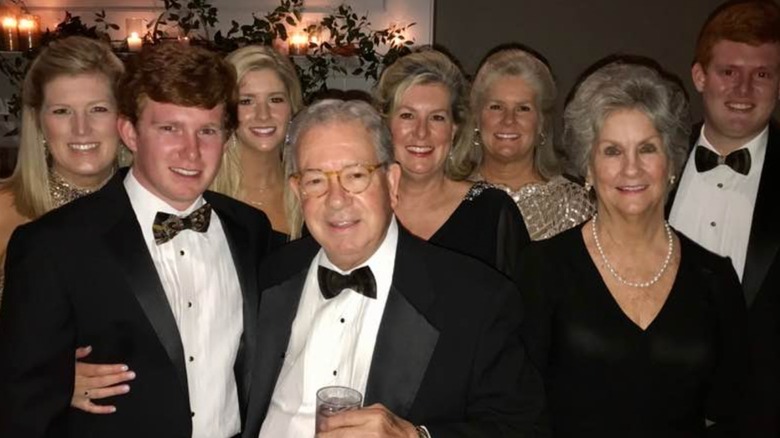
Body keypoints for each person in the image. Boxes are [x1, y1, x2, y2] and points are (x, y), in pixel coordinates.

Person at [0, 42, 274, 437]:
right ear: (129, 131)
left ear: (227, 137)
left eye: (207, 131)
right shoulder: (51, 246)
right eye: (169, 128)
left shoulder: (250, 229)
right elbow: (23, 411)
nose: (191, 151)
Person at [243, 99, 545, 437]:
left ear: (391, 183)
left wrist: (416, 437)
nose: (337, 199)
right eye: (316, 181)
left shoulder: (477, 300)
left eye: (356, 176)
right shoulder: (270, 276)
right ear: (298, 191)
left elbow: (523, 428)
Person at [518, 60, 747, 436]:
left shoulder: (715, 278)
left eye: (646, 149)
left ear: (671, 162)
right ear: (588, 168)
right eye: (611, 151)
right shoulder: (543, 268)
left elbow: (730, 410)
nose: (631, 169)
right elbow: (520, 410)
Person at [667, 1, 780, 435]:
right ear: (700, 76)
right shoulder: (650, 164)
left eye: (762, 75)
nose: (744, 89)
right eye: (729, 71)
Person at [374, 48, 530, 278]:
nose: (421, 133)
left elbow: (520, 308)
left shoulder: (492, 212)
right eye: (407, 115)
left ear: (454, 129)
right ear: (386, 124)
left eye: (437, 117)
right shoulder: (359, 207)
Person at [0, 36, 127, 302]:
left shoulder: (155, 210)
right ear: (38, 122)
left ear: (123, 118)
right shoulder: (4, 211)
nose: (81, 128)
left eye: (98, 109)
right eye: (62, 112)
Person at [465, 46, 594, 240]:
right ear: (477, 118)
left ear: (541, 122)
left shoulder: (573, 205)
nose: (509, 119)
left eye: (523, 108)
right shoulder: (448, 195)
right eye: (496, 107)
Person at [212, 44, 303, 237]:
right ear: (226, 112)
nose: (263, 115)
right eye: (246, 101)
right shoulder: (205, 197)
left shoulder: (310, 193)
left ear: (292, 107)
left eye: (275, 100)